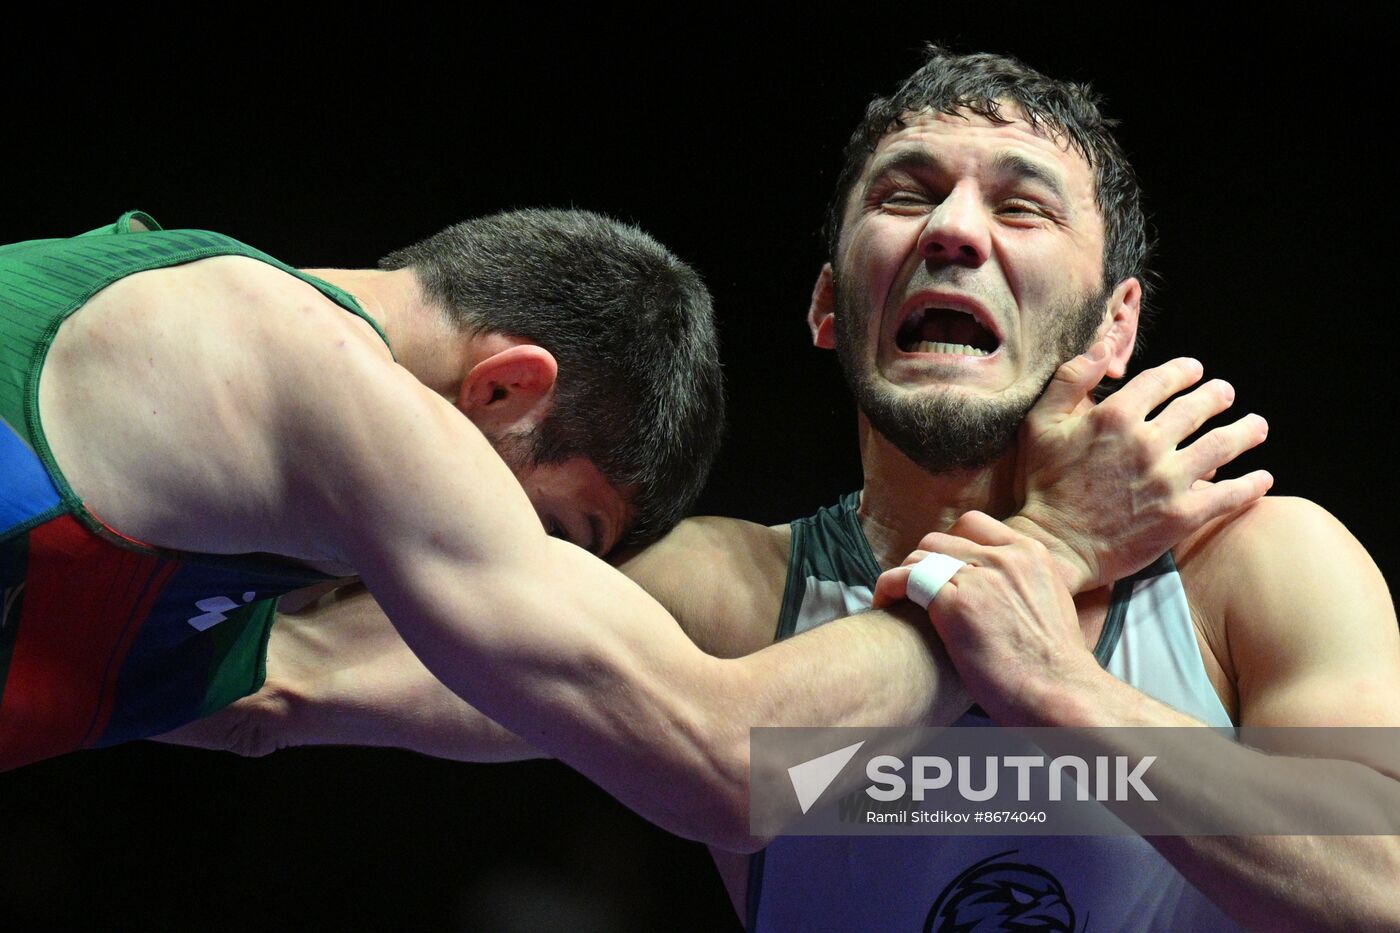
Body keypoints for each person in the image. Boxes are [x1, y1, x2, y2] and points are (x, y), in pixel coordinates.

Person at [173, 45, 1400, 929]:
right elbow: (274, 679)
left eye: (1020, 206)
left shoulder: (1255, 568)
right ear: (827, 305)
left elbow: (1378, 884)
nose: (952, 230)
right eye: (905, 194)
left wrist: (1062, 693)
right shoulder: (719, 599)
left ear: (1113, 322)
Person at [0, 199, 1238, 852]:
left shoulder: (194, 500)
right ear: (505, 390)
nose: (510, 578)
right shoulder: (300, 366)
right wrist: (1049, 550)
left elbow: (291, 689)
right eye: (551, 532)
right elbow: (725, 766)